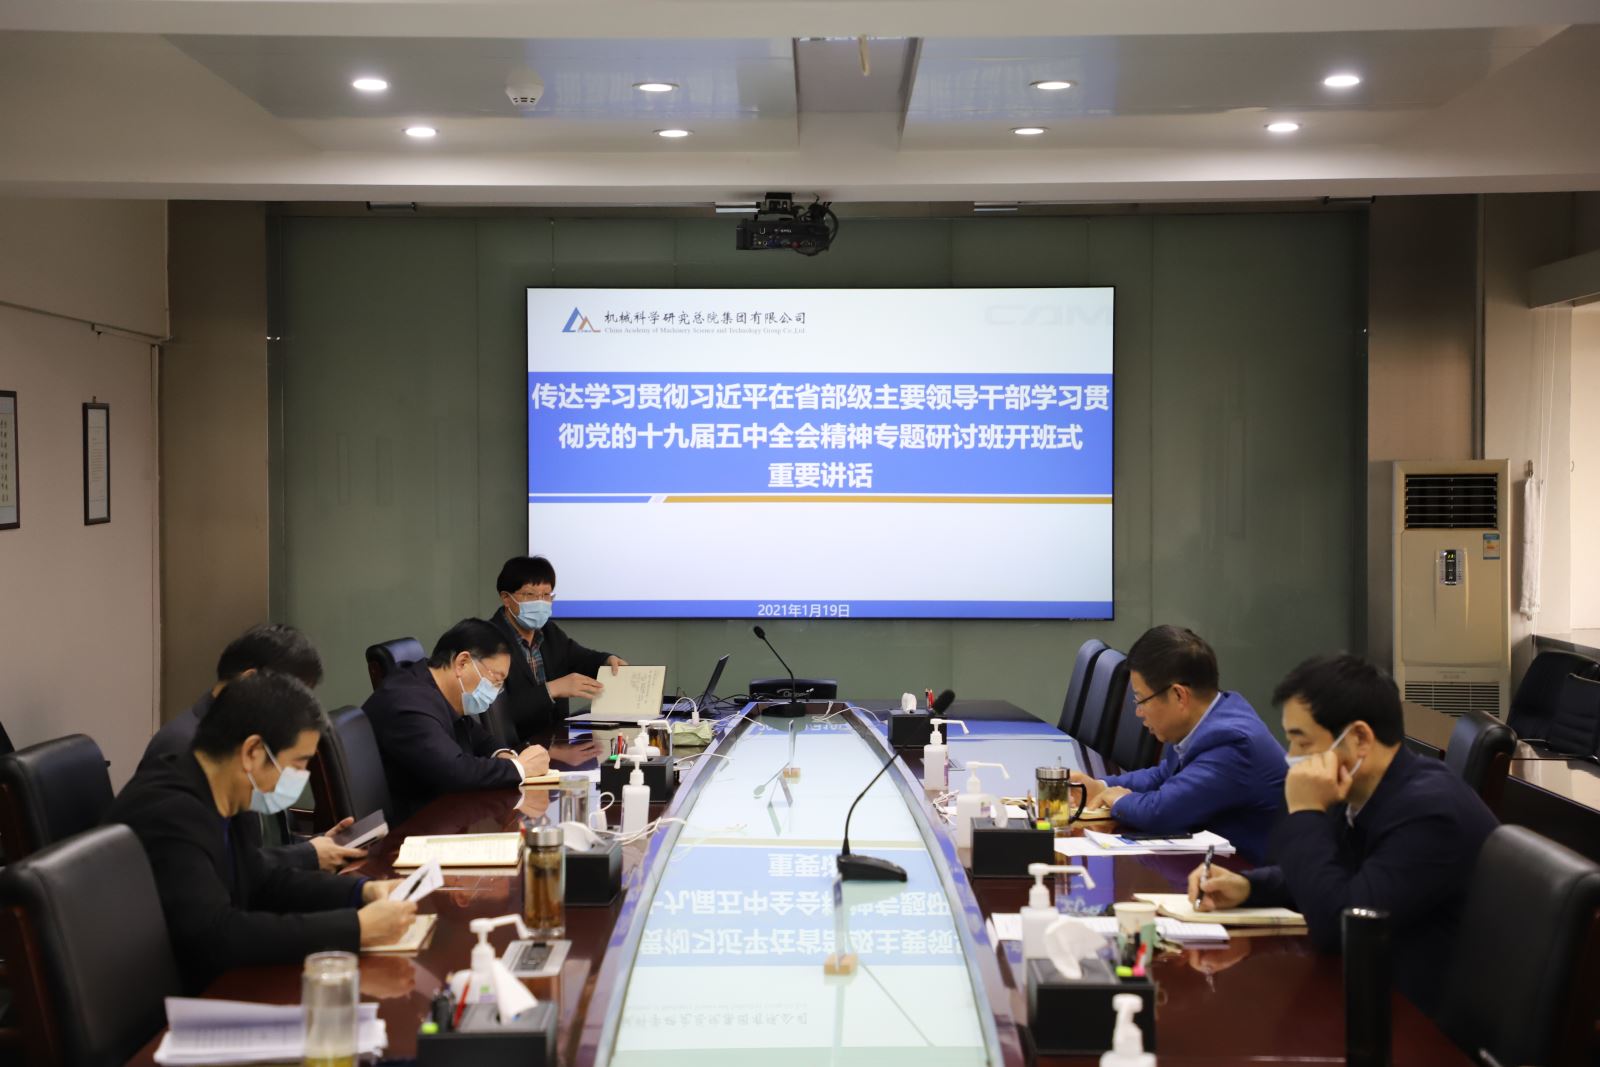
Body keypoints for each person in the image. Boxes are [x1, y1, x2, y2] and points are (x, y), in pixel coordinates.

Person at [1187, 653, 1498, 1018]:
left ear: (1359, 738)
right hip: (1375, 992)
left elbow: (1341, 926)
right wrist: (1248, 887)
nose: (1291, 757)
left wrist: (1305, 811)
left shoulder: (1430, 812)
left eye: (1303, 743)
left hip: (1427, 1021)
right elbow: (1332, 877)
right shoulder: (1360, 789)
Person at [105, 672, 416, 993]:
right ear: (253, 751)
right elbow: (216, 935)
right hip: (170, 1000)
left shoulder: (226, 790)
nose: (301, 777)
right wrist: (357, 928)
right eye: (297, 764)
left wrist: (362, 892)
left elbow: (262, 880)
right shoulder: (170, 811)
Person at [140, 623, 365, 872]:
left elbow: (259, 846)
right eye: (290, 695)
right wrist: (305, 856)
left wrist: (314, 845)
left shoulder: (248, 735)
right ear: (248, 681)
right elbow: (222, 868)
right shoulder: (185, 750)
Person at [1071, 626, 1287, 861]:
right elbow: (1164, 775)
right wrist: (1101, 787)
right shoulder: (1210, 717)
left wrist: (1118, 800)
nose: (1138, 712)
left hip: (1251, 873)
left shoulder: (1231, 743)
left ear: (1178, 695)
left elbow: (1161, 813)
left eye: (1141, 699)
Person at [363, 618, 551, 821]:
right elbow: (455, 772)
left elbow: (478, 737)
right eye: (496, 680)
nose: (496, 690)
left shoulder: (432, 687)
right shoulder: (408, 702)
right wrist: (519, 768)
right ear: (462, 663)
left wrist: (504, 755)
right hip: (409, 828)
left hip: (441, 813)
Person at [488, 555, 625, 741]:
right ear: (506, 598)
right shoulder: (487, 641)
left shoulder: (549, 632)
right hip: (516, 747)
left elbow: (582, 659)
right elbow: (497, 713)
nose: (540, 602)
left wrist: (607, 660)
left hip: (556, 740)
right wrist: (551, 690)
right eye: (530, 595)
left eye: (546, 595)